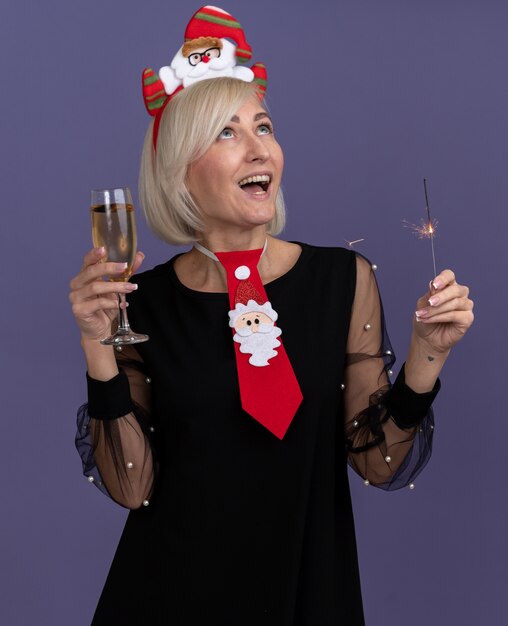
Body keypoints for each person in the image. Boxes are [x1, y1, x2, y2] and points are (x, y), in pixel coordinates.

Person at [69, 9, 474, 626]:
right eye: (227, 134)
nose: (260, 147)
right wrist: (98, 348)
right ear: (181, 174)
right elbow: (131, 487)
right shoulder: (141, 302)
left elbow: (378, 462)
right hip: (166, 600)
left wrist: (429, 354)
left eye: (264, 125)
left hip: (305, 594)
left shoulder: (343, 280)